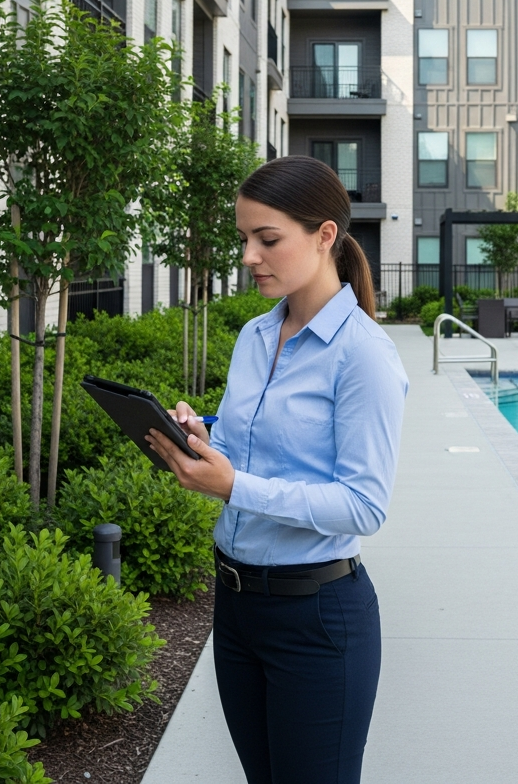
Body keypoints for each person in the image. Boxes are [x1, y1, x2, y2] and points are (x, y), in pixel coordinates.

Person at [146, 155, 408, 784]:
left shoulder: (364, 355)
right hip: (237, 610)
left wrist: (233, 485)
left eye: (267, 239)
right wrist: (206, 439)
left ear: (324, 236)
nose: (249, 257)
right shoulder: (256, 337)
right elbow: (250, 445)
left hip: (317, 618)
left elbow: (364, 507)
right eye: (244, 239)